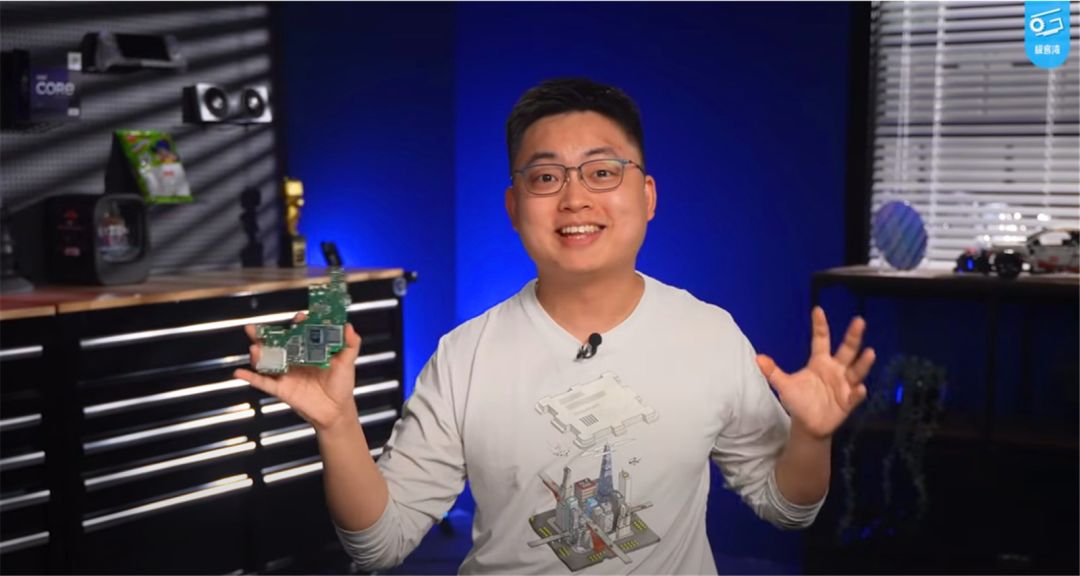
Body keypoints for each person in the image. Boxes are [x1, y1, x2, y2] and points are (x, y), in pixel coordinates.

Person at [235, 77, 875, 574]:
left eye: (602, 171)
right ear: (514, 207)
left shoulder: (709, 334)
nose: (574, 198)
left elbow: (787, 508)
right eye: (546, 177)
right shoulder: (464, 356)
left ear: (647, 196)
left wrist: (812, 437)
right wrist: (338, 424)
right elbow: (380, 545)